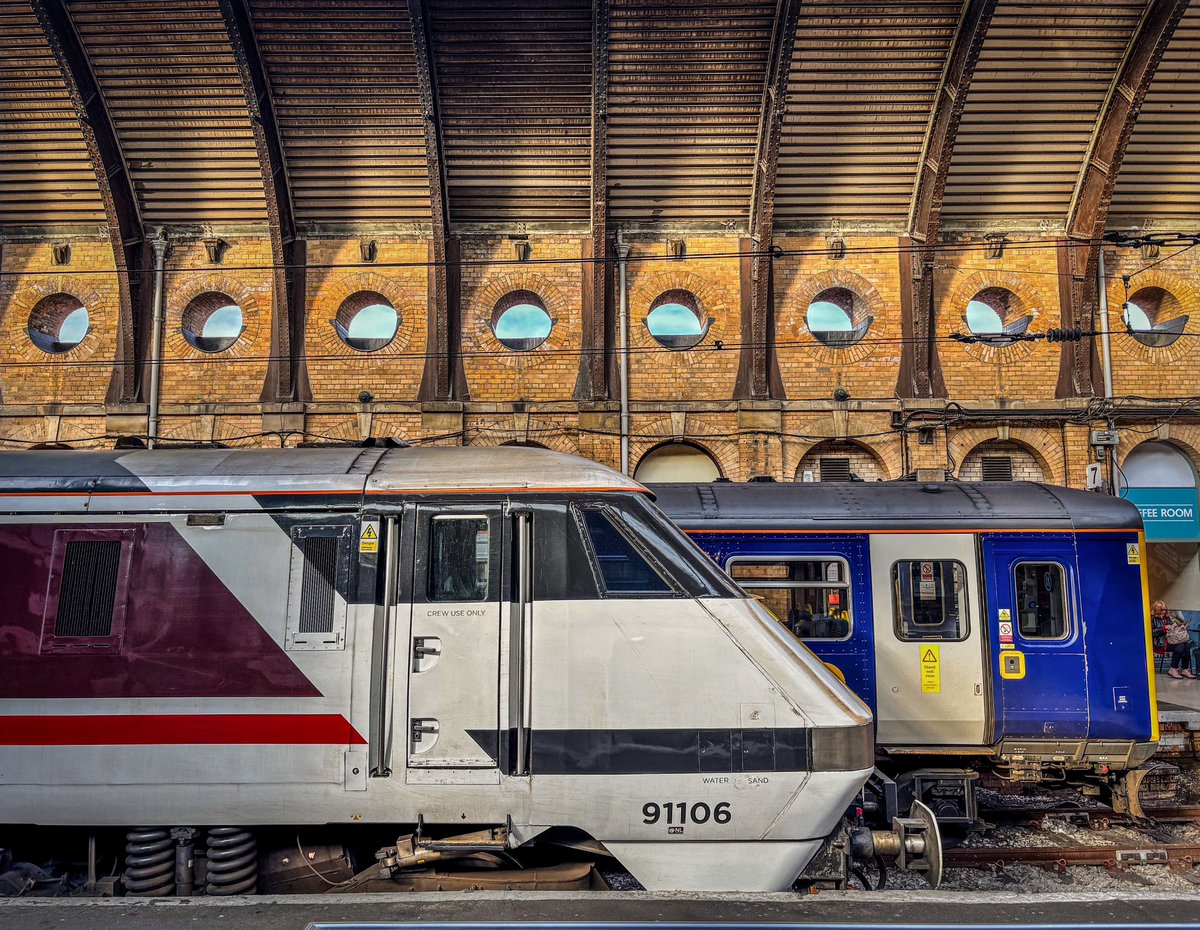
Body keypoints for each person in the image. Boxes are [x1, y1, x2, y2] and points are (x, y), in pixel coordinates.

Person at [1164, 607, 1195, 679]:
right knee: (1181, 646)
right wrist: (1165, 627)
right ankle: (1173, 669)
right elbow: (1155, 631)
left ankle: (1185, 669)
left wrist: (1183, 626)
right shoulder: (1158, 618)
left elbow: (1180, 621)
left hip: (1174, 639)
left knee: (1187, 644)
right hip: (1163, 641)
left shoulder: (1172, 617)